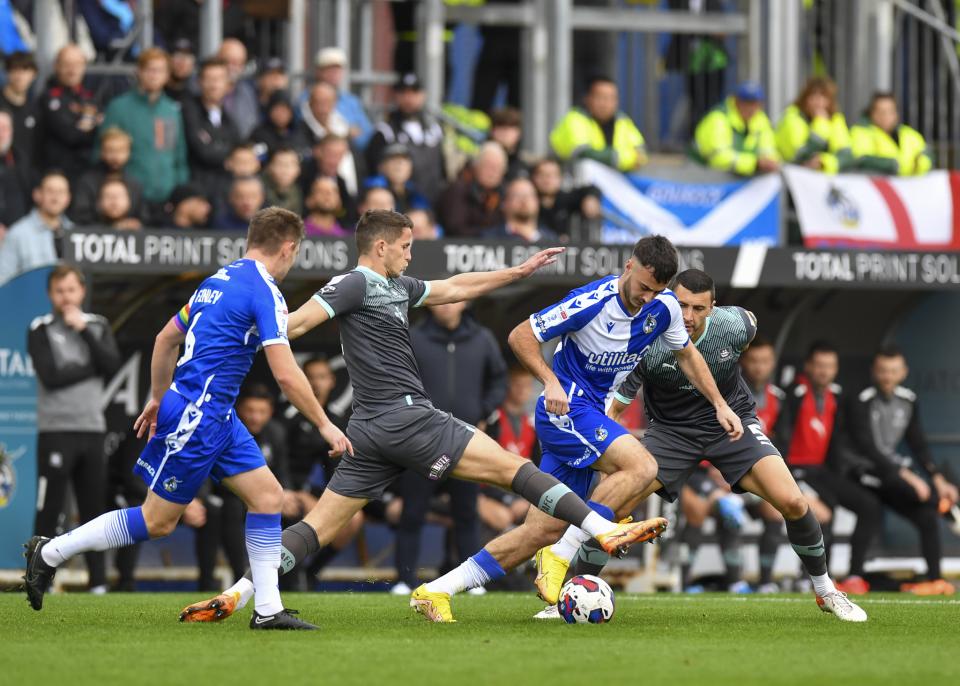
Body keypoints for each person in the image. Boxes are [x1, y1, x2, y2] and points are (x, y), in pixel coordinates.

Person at [179, 210, 662, 625]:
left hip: (369, 431)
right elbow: (295, 324)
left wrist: (516, 273)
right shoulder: (352, 283)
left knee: (315, 529)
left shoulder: (395, 286)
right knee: (516, 470)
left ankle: (238, 594)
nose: (412, 255)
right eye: (407, 246)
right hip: (407, 417)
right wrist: (245, 326)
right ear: (382, 246)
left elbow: (453, 288)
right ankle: (603, 530)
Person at [24, 207, 352, 630]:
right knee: (157, 521)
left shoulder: (216, 281)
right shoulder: (265, 291)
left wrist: (159, 397)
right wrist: (326, 424)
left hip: (215, 413)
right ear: (289, 248)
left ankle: (268, 609)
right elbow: (286, 373)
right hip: (199, 413)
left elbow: (166, 339)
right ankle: (48, 553)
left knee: (268, 497)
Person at [415, 240, 742, 622]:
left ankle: (436, 590)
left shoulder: (665, 308)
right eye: (644, 287)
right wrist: (549, 381)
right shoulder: (591, 302)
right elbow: (521, 335)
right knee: (642, 467)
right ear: (628, 266)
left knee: (538, 531)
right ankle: (569, 549)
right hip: (564, 410)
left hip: (588, 420)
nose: (648, 297)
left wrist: (720, 404)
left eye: (657, 290)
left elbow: (687, 356)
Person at [535, 271, 867, 621]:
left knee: (794, 502)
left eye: (698, 307)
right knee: (613, 506)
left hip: (731, 424)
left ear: (713, 307)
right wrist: (605, 456)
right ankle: (568, 598)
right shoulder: (645, 336)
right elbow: (616, 405)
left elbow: (747, 330)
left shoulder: (738, 326)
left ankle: (826, 590)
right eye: (680, 305)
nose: (688, 316)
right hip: (670, 433)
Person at [392, 300, 508, 594]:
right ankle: (405, 581)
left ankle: (472, 582)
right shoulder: (414, 337)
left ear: (466, 302)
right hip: (421, 440)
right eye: (441, 301)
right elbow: (397, 380)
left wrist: (483, 411)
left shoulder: (481, 338)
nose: (447, 307)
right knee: (412, 512)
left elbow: (498, 380)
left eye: (453, 300)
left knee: (466, 512)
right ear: (430, 305)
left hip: (466, 440)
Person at [27, 265, 121, 594]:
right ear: (50, 294)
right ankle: (38, 581)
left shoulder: (97, 325)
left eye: (70, 290)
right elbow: (51, 377)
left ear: (81, 291)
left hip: (91, 429)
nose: (65, 297)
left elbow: (111, 365)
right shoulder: (39, 328)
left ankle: (97, 582)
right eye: (59, 291)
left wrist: (83, 331)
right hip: (55, 430)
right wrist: (90, 366)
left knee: (93, 508)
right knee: (49, 508)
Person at [844, 346, 959, 595]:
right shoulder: (860, 398)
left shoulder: (909, 400)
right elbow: (867, 447)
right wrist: (907, 475)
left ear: (903, 372)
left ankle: (935, 580)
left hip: (891, 476)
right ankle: (853, 577)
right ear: (875, 371)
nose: (887, 376)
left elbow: (918, 443)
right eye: (883, 371)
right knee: (876, 506)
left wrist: (936, 476)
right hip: (864, 471)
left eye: (893, 371)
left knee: (927, 516)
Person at [774, 341, 884, 596]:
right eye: (820, 365)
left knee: (868, 505)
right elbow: (782, 437)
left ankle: (855, 574)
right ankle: (812, 577)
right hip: (795, 469)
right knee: (825, 511)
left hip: (823, 471)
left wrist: (856, 468)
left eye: (830, 366)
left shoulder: (838, 396)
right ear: (809, 366)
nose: (825, 371)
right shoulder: (793, 394)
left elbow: (844, 439)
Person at [282, 356, 361, 587]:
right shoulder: (287, 417)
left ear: (332, 381)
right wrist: (290, 491)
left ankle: (312, 572)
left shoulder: (335, 422)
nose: (316, 384)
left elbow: (339, 469)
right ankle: (290, 579)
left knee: (354, 518)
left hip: (316, 492)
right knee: (302, 508)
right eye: (311, 378)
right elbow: (278, 462)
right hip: (286, 490)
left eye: (322, 377)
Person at [97, 48, 188, 205]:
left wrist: (179, 192)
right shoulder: (118, 107)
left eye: (160, 70)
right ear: (139, 72)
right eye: (149, 70)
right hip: (129, 198)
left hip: (166, 196)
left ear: (167, 75)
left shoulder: (172, 110)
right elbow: (100, 153)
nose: (154, 75)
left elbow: (179, 156)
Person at [739, 336, 790, 590]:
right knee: (729, 512)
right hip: (730, 474)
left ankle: (767, 581)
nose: (759, 367)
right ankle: (733, 581)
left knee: (779, 510)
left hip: (760, 476)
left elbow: (782, 443)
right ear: (743, 361)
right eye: (754, 360)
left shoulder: (778, 398)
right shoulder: (729, 392)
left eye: (765, 361)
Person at [366, 73, 446, 204]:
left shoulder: (435, 129)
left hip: (433, 206)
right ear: (396, 96)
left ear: (423, 95)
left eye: (414, 92)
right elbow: (373, 170)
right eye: (403, 93)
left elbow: (442, 170)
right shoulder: (385, 131)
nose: (409, 98)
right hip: (399, 205)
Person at [35, 44, 102, 184]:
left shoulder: (90, 96)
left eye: (77, 64)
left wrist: (89, 124)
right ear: (56, 66)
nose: (72, 70)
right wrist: (93, 122)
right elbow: (70, 134)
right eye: (67, 64)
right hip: (56, 174)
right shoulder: (48, 97)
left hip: (86, 173)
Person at [550, 76, 647, 173]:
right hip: (576, 182)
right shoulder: (574, 119)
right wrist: (625, 158)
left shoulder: (622, 121)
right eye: (600, 97)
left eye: (611, 98)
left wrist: (614, 158)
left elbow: (641, 154)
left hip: (616, 179)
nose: (605, 104)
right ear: (587, 98)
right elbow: (585, 154)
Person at [691, 81, 780, 176]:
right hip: (704, 178)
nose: (751, 108)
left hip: (741, 179)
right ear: (736, 101)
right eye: (747, 103)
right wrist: (754, 163)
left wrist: (769, 161)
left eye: (755, 103)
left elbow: (768, 149)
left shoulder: (761, 119)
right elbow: (718, 158)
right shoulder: (718, 119)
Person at [0, 171, 72, 285]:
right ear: (37, 195)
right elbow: (3, 280)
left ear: (68, 198)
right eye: (50, 191)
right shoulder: (17, 233)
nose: (55, 197)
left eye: (61, 192)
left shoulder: (76, 234)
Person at [181, 57, 241, 194]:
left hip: (225, 191)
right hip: (196, 190)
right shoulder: (189, 110)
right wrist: (229, 157)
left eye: (219, 79)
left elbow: (238, 148)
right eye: (209, 79)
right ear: (199, 82)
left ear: (228, 85)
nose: (214, 85)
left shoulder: (230, 120)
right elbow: (202, 151)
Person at [776, 76, 853, 174]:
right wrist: (820, 126)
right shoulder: (791, 118)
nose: (818, 102)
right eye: (813, 97)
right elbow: (799, 156)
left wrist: (824, 162)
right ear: (804, 99)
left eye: (823, 97)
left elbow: (846, 156)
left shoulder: (835, 120)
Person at [71, 127, 145, 226]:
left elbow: (143, 218)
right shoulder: (87, 181)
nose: (115, 156)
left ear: (129, 153)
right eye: (110, 150)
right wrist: (112, 227)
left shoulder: (135, 183)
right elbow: (80, 217)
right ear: (102, 152)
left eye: (121, 150)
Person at [850, 92, 933, 176]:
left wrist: (920, 164)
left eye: (890, 111)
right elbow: (862, 160)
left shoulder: (909, 134)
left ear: (896, 114)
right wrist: (897, 166)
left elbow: (927, 155)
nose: (886, 116)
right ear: (872, 113)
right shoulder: (861, 132)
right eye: (882, 112)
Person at [435, 142, 507, 238]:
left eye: (497, 167)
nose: (492, 172)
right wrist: (487, 235)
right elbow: (455, 228)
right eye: (488, 165)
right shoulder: (457, 190)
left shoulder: (505, 195)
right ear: (476, 166)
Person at [300, 81, 358, 196]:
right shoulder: (300, 133)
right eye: (319, 101)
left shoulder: (343, 129)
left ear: (335, 103)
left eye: (328, 101)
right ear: (310, 103)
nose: (323, 107)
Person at [311, 47, 374, 150]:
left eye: (337, 69)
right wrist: (346, 132)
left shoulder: (351, 101)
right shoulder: (306, 99)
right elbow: (316, 132)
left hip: (353, 155)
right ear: (318, 71)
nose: (334, 73)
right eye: (329, 69)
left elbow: (366, 134)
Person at [530, 157, 601, 240]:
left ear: (560, 178)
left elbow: (590, 189)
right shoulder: (526, 200)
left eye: (553, 175)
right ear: (533, 177)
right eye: (542, 174)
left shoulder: (565, 199)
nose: (547, 179)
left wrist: (591, 197)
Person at [0, 51, 38, 186]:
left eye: (25, 70)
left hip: (26, 176)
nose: (19, 76)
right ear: (7, 73)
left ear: (34, 74)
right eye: (14, 70)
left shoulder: (36, 107)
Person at [483, 177, 557, 243]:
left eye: (529, 195)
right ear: (504, 204)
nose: (524, 200)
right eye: (517, 195)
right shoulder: (487, 239)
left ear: (537, 202)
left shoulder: (552, 240)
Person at [365, 143, 430, 215]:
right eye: (393, 160)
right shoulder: (372, 190)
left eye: (404, 160)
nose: (399, 164)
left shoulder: (416, 194)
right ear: (381, 167)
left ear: (411, 168)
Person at [217, 38, 260, 140]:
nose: (232, 67)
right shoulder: (199, 89)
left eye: (238, 63)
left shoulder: (248, 92)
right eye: (227, 61)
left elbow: (252, 126)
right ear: (217, 59)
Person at [250, 90, 311, 160]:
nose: (280, 114)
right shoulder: (259, 134)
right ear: (269, 111)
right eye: (277, 110)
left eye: (284, 110)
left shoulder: (301, 131)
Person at [0, 110, 26, 231]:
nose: (1, 134)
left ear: (11, 132)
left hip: (17, 231)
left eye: (4, 128)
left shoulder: (21, 159)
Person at [262, 146, 303, 215]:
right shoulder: (258, 190)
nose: (285, 170)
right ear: (269, 167)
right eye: (280, 164)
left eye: (290, 164)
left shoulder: (297, 192)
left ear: (299, 169)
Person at [165, 38, 197, 104]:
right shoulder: (157, 90)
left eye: (187, 57)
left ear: (193, 64)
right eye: (177, 56)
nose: (182, 62)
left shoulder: (197, 93)